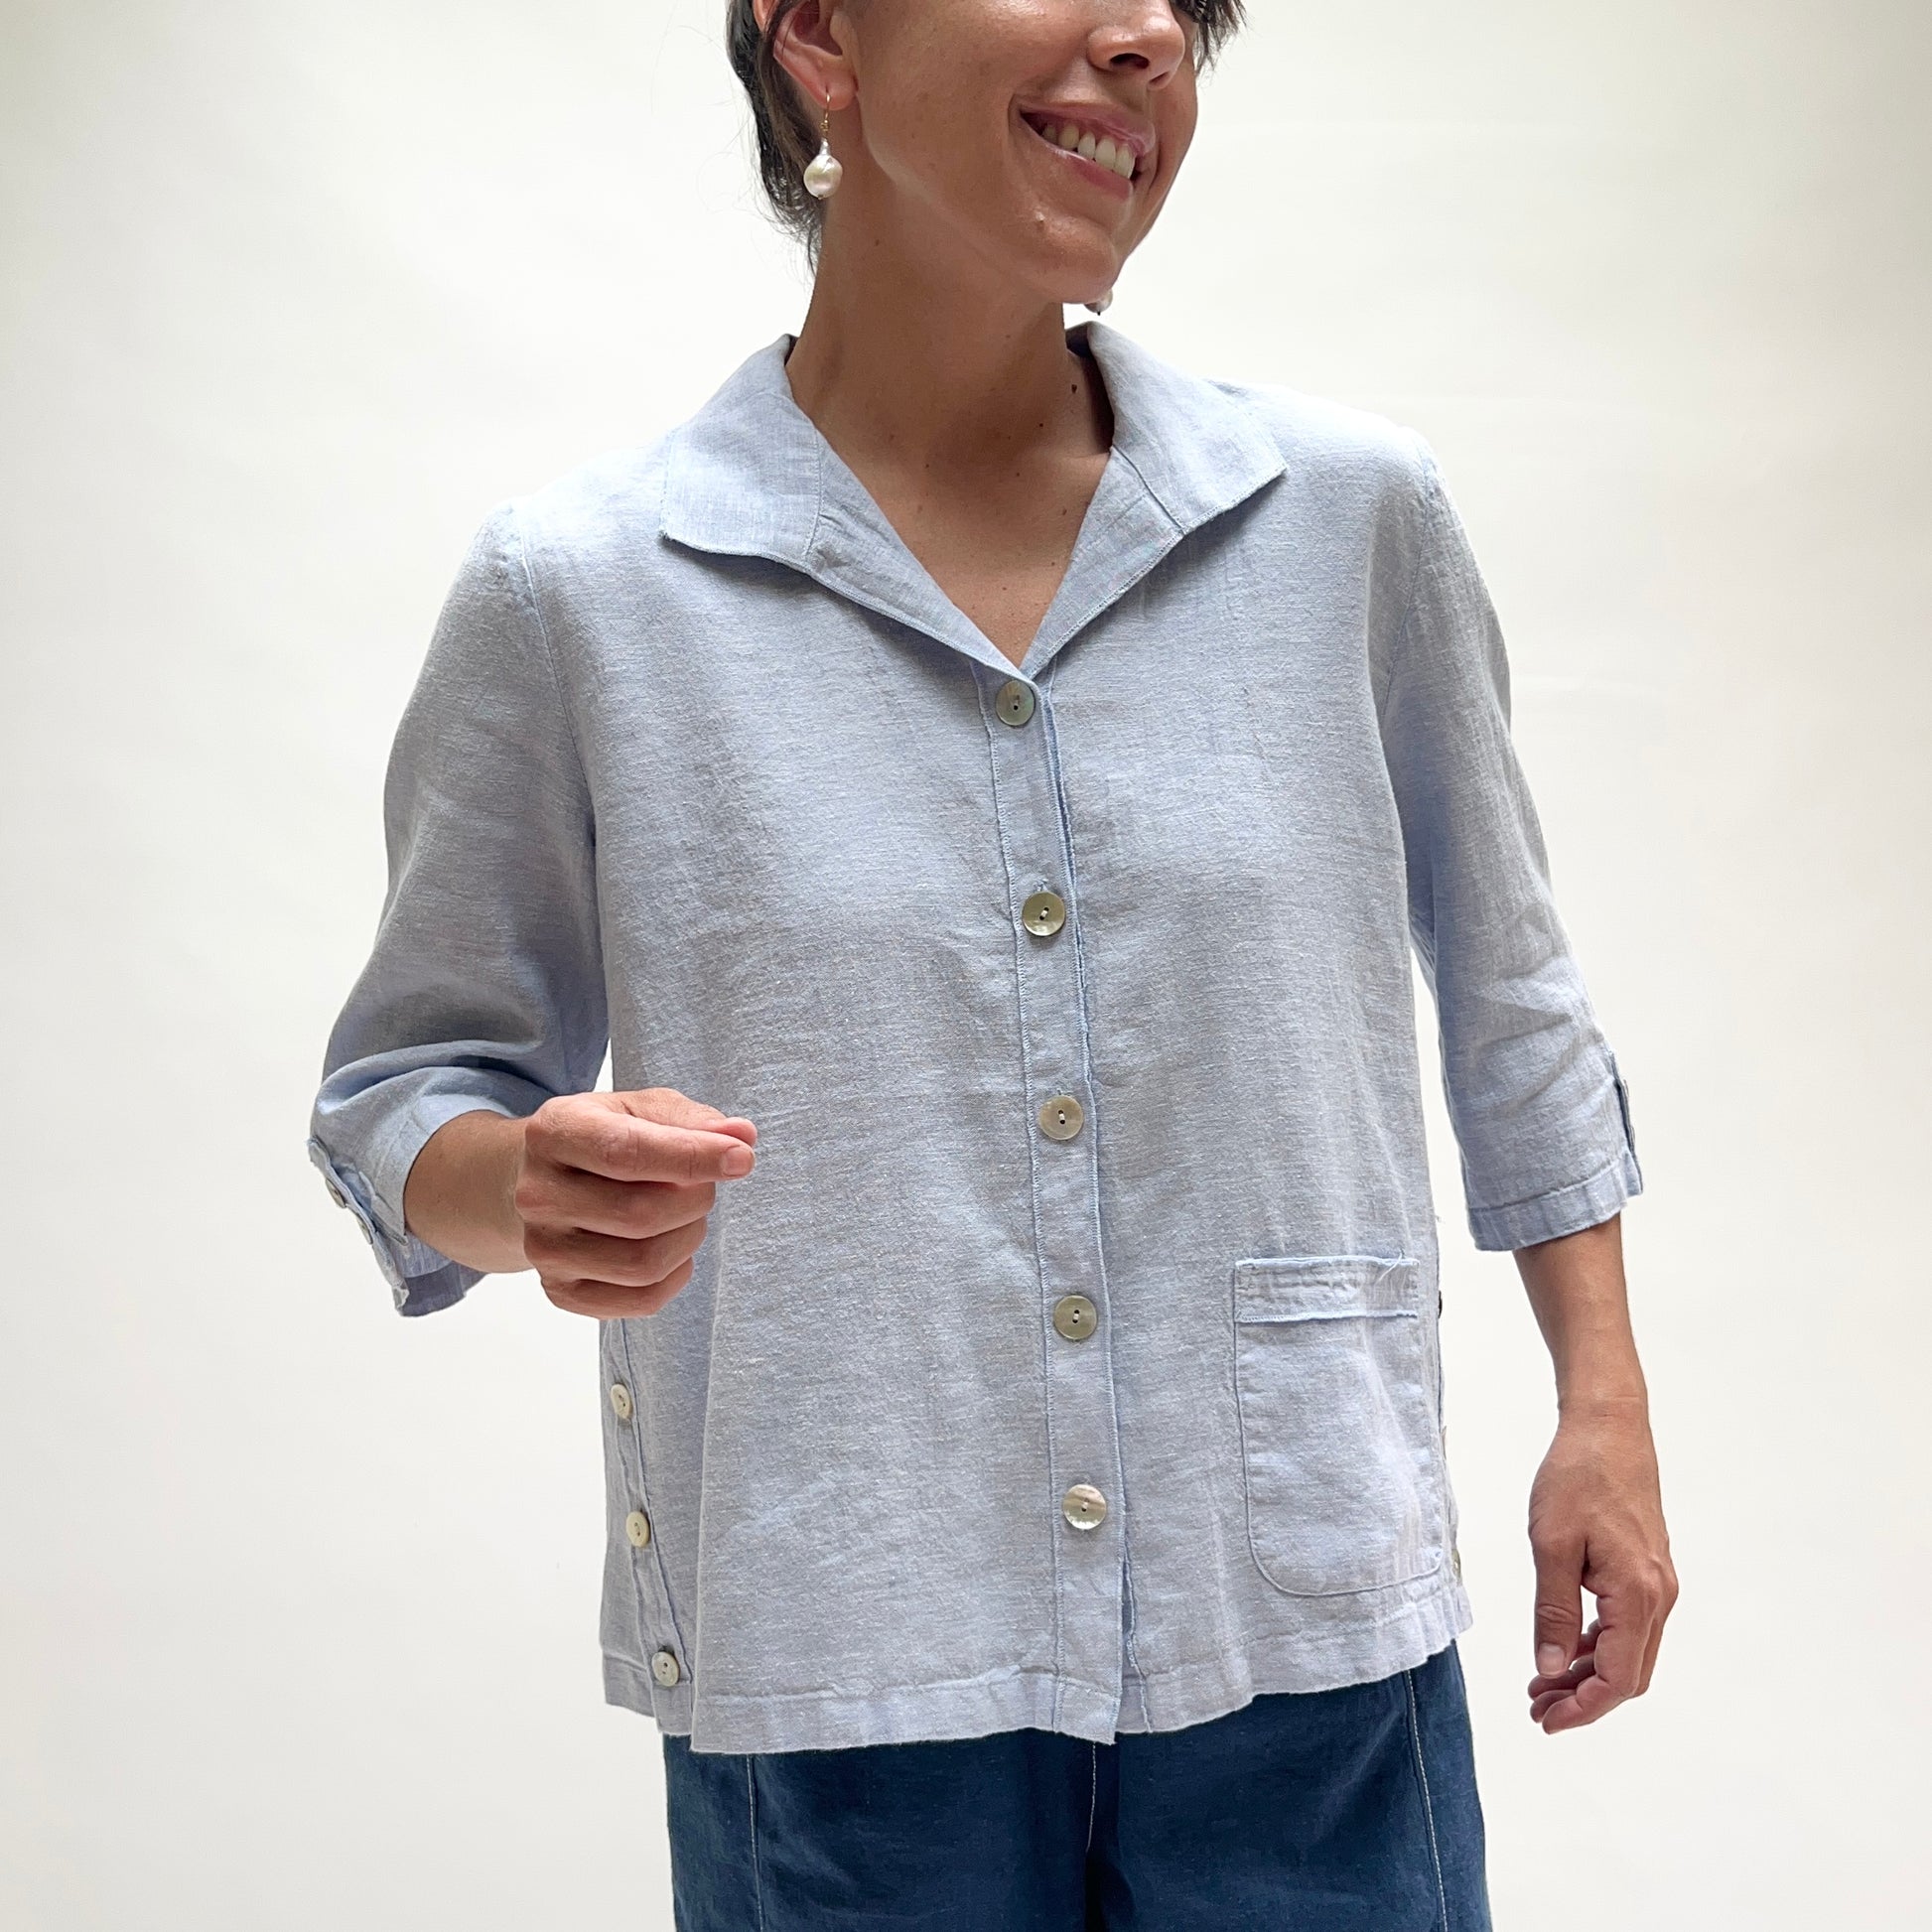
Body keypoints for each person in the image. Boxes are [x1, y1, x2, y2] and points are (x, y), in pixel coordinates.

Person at [307, 0, 1678, 1922]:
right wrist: (516, 1186)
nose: (1149, 36)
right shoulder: (585, 590)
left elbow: (1513, 996)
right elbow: (405, 1089)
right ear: (818, 35)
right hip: (842, 1639)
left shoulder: (1347, 521)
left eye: (1182, 9)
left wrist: (1601, 1407)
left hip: (1295, 1620)